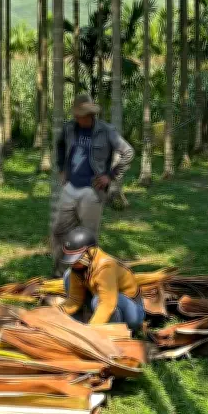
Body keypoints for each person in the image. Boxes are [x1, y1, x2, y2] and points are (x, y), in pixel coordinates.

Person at [52, 93, 134, 275]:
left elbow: (128, 152)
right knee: (59, 232)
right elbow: (59, 145)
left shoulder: (106, 131)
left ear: (89, 115)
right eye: (76, 115)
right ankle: (60, 274)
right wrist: (61, 169)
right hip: (70, 188)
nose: (76, 118)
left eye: (80, 115)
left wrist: (110, 176)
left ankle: (88, 276)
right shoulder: (69, 129)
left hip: (92, 191)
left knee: (87, 237)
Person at [58, 227, 145, 332]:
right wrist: (55, 313)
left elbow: (107, 304)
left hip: (132, 312)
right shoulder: (78, 268)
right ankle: (85, 322)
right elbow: (75, 300)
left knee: (97, 300)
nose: (73, 264)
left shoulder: (106, 267)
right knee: (68, 275)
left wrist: (90, 331)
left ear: (90, 253)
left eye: (76, 259)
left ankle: (114, 333)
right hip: (104, 303)